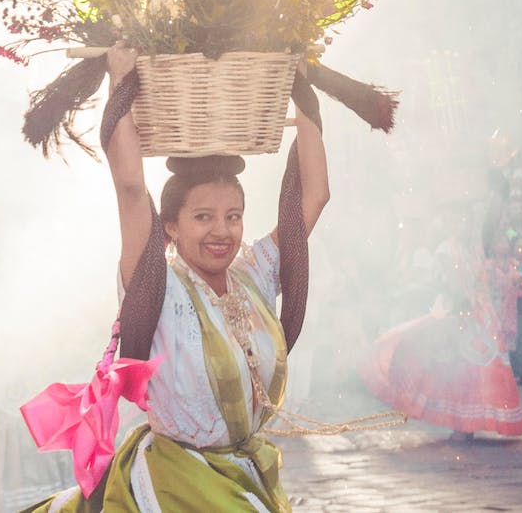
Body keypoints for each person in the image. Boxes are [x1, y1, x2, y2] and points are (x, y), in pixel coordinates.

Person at [26, 42, 330, 510]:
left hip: (247, 473)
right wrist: (121, 84)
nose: (221, 232)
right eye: (203, 217)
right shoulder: (159, 287)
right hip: (180, 481)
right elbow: (131, 189)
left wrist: (301, 83)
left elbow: (315, 195)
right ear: (171, 225)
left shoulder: (254, 275)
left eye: (233, 216)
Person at [360, 210, 522, 440]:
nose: (464, 226)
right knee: (461, 369)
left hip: (482, 313)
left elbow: (482, 278)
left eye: (467, 221)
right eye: (459, 221)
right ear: (450, 224)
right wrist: (463, 309)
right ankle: (461, 424)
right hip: (459, 312)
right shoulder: (445, 250)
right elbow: (453, 285)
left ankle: (478, 419)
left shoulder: (475, 247)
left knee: (486, 368)